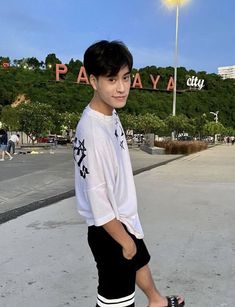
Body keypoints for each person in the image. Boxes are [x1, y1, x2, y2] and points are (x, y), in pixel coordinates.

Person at [73, 40, 185, 307]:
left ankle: (156, 300)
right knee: (117, 301)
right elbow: (98, 202)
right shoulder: (92, 132)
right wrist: (125, 241)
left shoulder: (110, 114)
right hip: (110, 230)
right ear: (93, 81)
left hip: (124, 218)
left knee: (140, 261)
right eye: (111, 79)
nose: (122, 88)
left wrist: (131, 235)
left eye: (125, 77)